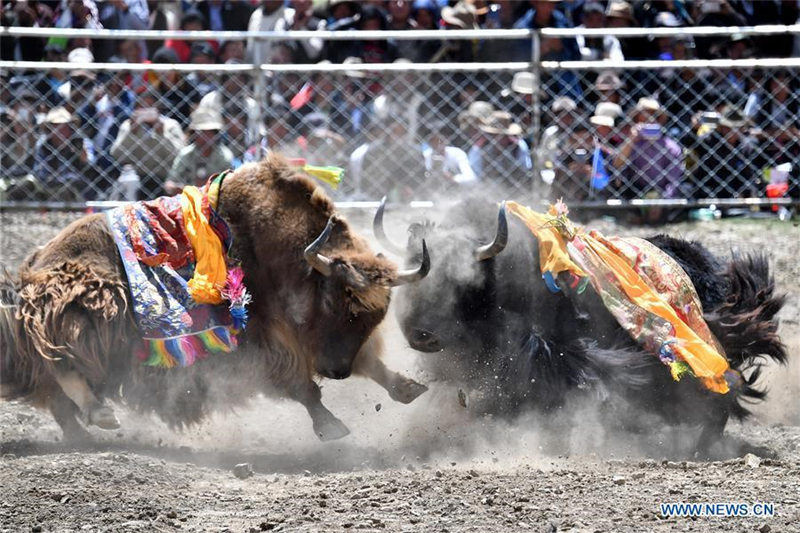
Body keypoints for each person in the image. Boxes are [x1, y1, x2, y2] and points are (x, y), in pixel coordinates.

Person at [613, 98, 686, 220]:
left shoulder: (671, 146)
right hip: (637, 191)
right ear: (637, 119)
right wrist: (631, 139)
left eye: (653, 115)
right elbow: (617, 164)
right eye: (644, 115)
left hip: (663, 192)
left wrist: (662, 202)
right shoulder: (632, 143)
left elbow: (674, 181)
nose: (650, 118)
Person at [111, 88, 185, 199]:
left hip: (166, 176)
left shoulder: (170, 125)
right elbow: (117, 154)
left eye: (149, 107)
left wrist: (161, 132)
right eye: (142, 107)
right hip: (138, 176)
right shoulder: (129, 126)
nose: (146, 111)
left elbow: (179, 155)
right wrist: (132, 132)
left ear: (158, 108)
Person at [33, 106, 96, 200]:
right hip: (52, 187)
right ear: (50, 128)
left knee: (71, 183)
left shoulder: (81, 141)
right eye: (56, 126)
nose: (61, 129)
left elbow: (92, 164)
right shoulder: (43, 145)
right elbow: (40, 173)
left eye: (65, 126)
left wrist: (82, 155)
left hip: (78, 189)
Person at [167, 107, 233, 194]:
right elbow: (170, 183)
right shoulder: (186, 154)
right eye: (201, 133)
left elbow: (229, 185)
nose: (205, 137)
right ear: (194, 134)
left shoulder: (224, 156)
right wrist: (179, 189)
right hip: (189, 199)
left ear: (216, 135)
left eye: (210, 133)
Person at [468, 111, 532, 187]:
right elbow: (475, 175)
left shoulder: (518, 145)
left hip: (515, 185)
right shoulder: (479, 148)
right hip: (486, 187)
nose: (500, 139)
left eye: (504, 136)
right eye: (495, 135)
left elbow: (525, 168)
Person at [421, 120, 477, 196]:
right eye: (432, 140)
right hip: (432, 194)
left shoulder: (456, 153)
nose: (437, 143)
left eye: (440, 140)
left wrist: (452, 178)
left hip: (457, 194)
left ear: (446, 138)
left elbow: (471, 178)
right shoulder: (425, 156)